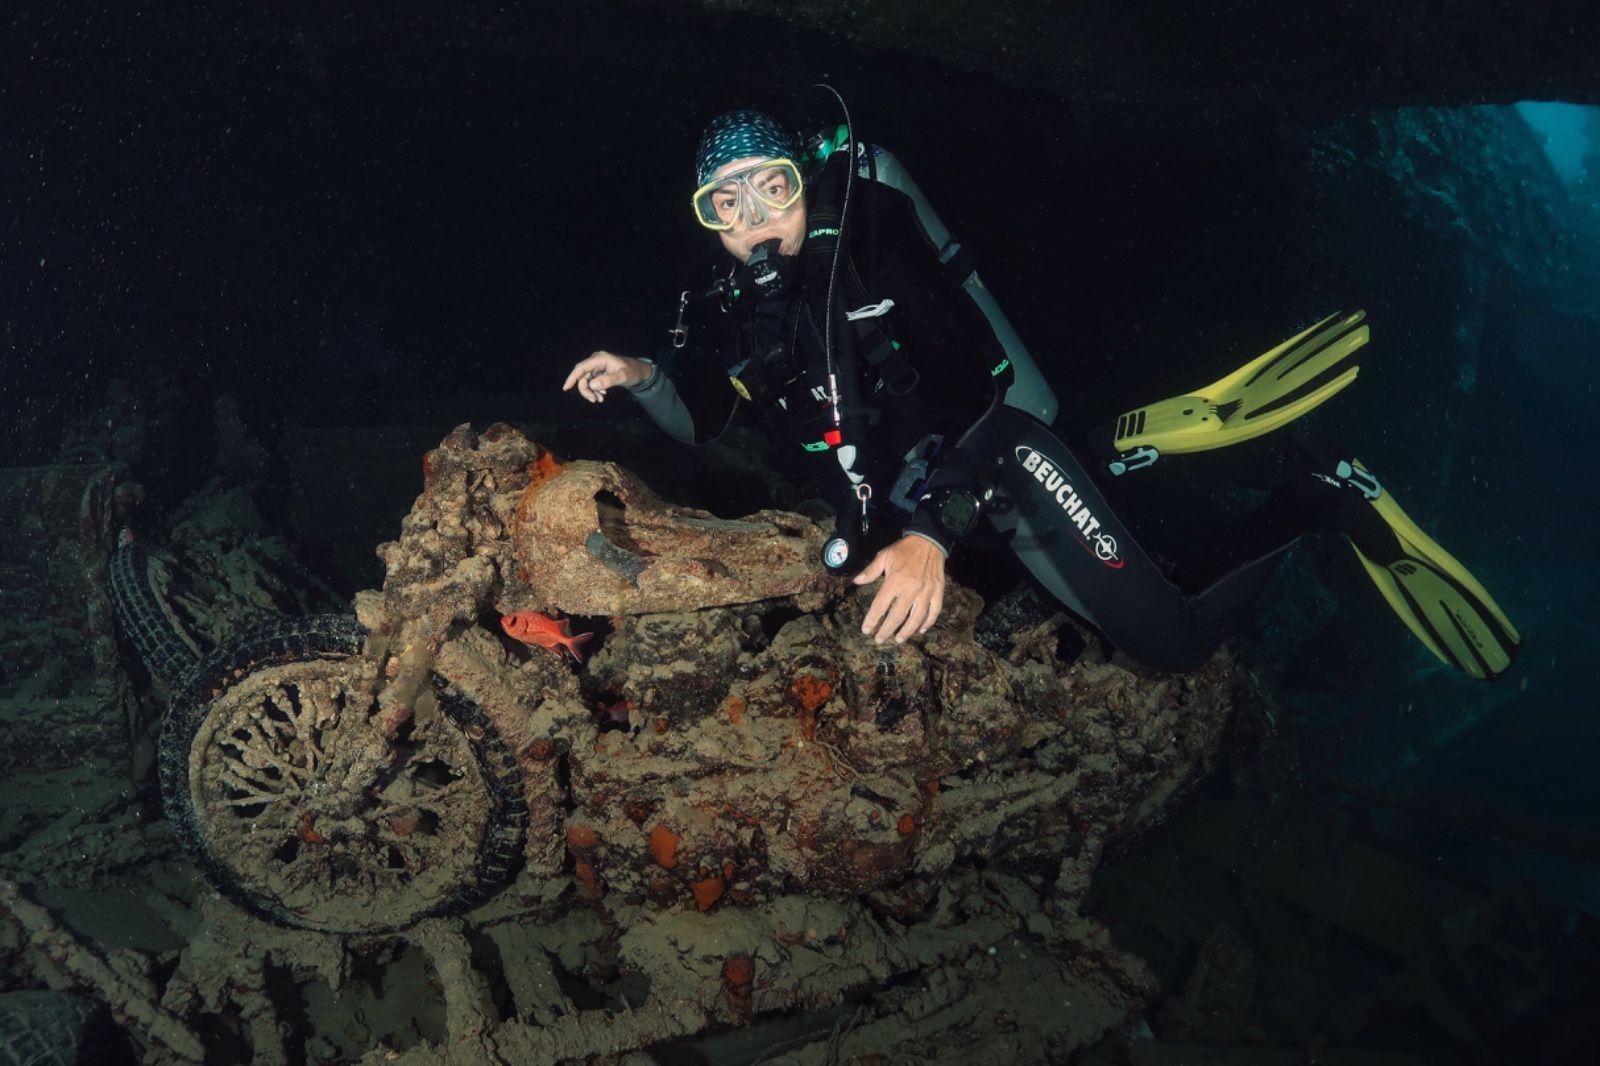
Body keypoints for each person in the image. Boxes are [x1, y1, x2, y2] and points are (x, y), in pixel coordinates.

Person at [563, 106, 1520, 681]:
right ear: (708, 220)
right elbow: (705, 422)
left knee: (1174, 641)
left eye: (771, 186)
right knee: (1100, 538)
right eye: (725, 202)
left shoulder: (873, 249)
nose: (754, 219)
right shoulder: (732, 305)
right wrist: (646, 377)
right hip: (938, 485)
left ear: (804, 182)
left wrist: (932, 538)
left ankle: (1319, 495)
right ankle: (1109, 452)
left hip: (1001, 455)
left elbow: (982, 392)